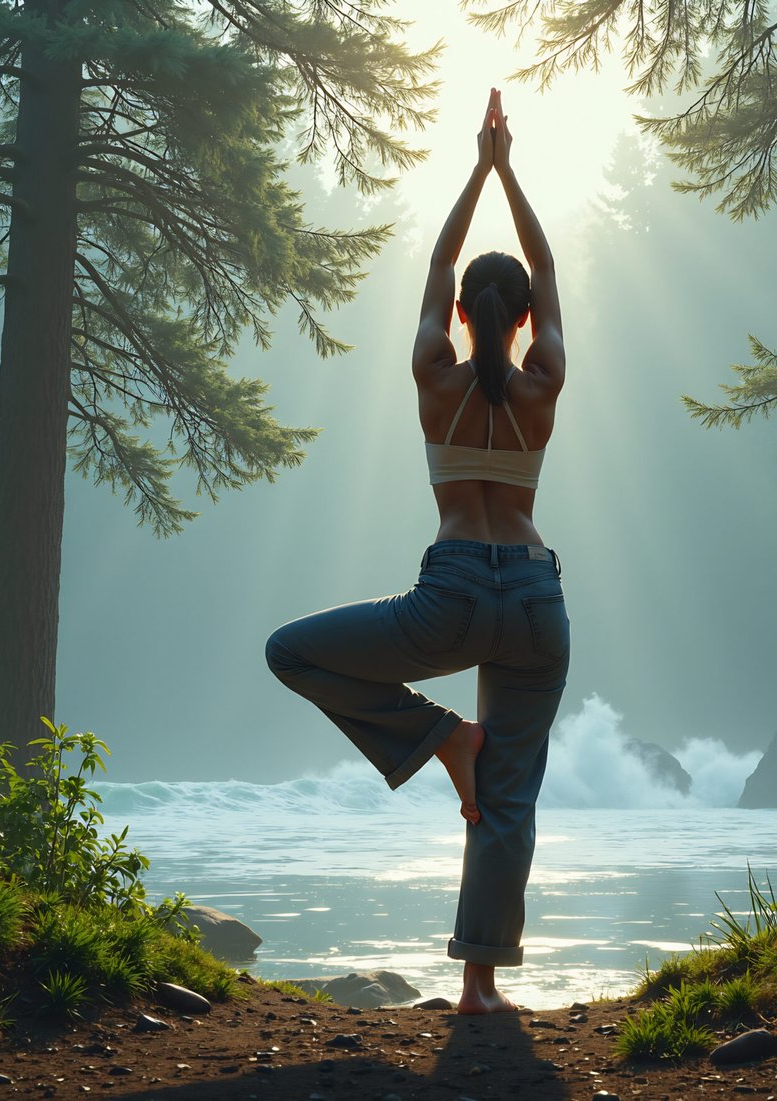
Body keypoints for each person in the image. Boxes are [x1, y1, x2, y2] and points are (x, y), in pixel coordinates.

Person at [265, 88, 568, 1015]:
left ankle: (441, 738)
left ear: (463, 316)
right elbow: (548, 263)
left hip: (452, 593)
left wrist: (475, 168)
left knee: (291, 650)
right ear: (518, 322)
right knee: (508, 798)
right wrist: (510, 167)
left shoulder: (432, 376)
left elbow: (439, 258)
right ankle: (480, 987)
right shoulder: (545, 380)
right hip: (536, 600)